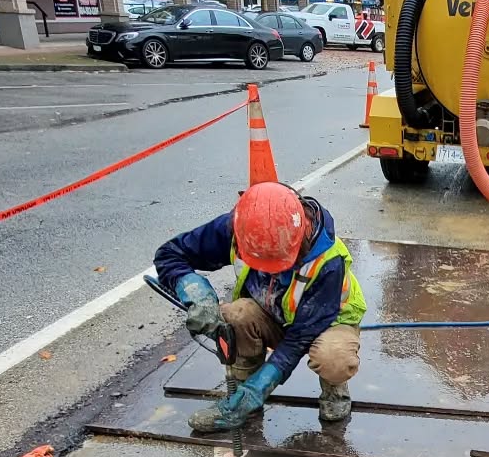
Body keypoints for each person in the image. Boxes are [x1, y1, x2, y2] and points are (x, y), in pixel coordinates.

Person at [154, 181, 366, 433]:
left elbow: (298, 340)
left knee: (333, 357)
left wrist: (259, 389)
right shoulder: (241, 227)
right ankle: (242, 390)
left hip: (328, 324)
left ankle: (333, 390)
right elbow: (170, 254)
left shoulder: (328, 262)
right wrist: (194, 290)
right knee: (236, 314)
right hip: (272, 314)